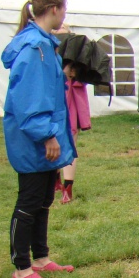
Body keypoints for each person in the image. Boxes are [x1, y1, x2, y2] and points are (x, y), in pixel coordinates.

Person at [2, 0, 77, 278]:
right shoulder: (35, 48)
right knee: (30, 200)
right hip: (35, 139)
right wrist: (46, 136)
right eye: (64, 9)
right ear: (55, 9)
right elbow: (30, 98)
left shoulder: (46, 44)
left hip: (47, 135)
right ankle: (21, 268)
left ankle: (41, 258)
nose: (65, 15)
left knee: (44, 198)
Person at [54, 23, 91, 204]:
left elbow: (84, 79)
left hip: (71, 105)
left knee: (70, 145)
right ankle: (55, 181)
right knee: (52, 142)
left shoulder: (76, 59)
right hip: (53, 103)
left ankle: (67, 188)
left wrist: (73, 73)